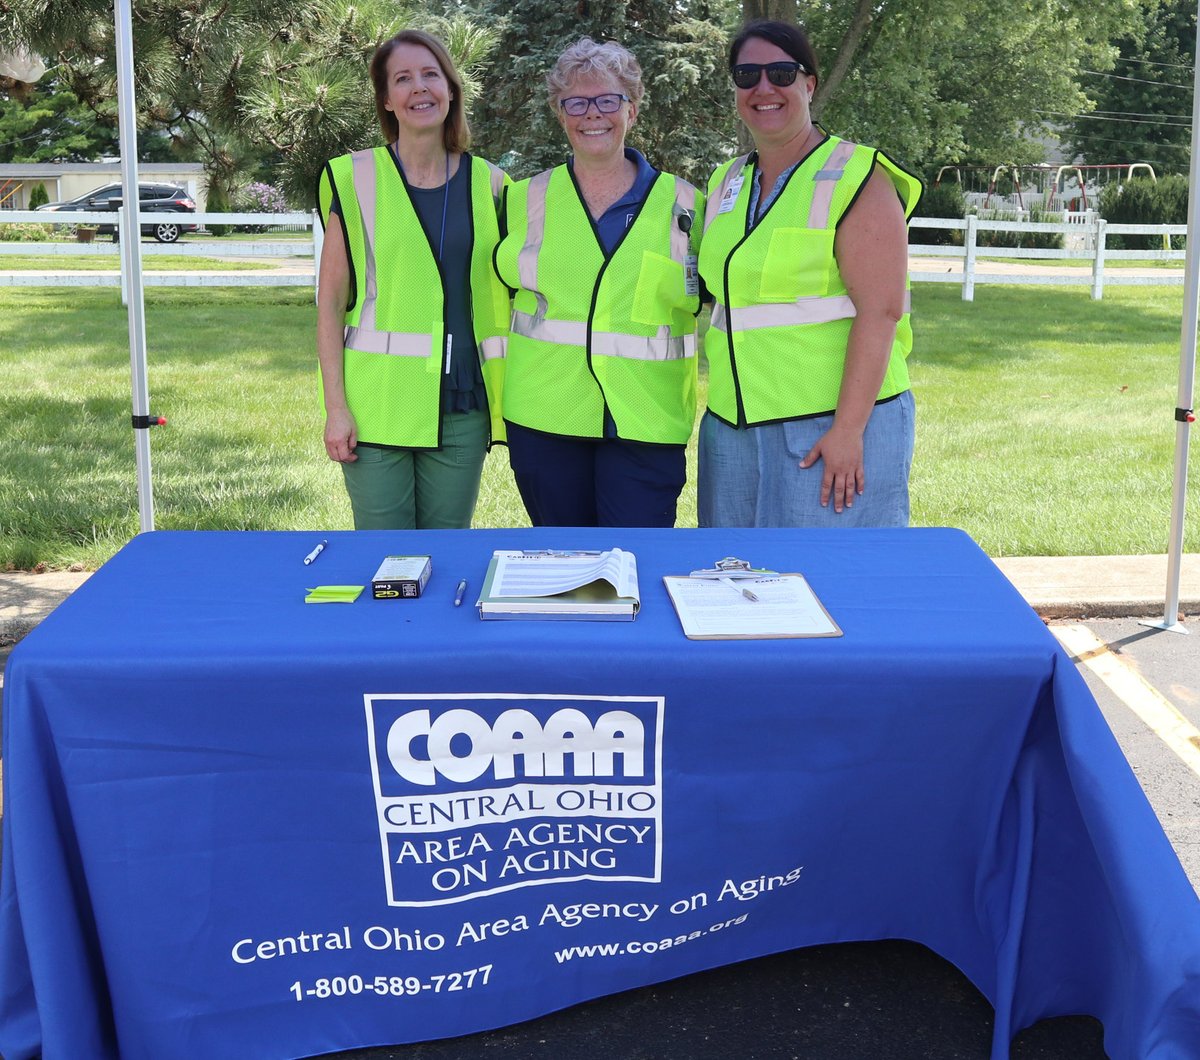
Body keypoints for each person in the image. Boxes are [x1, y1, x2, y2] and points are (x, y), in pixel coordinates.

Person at [697, 19, 922, 528]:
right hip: (733, 429)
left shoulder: (859, 177)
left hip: (829, 428)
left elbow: (881, 312)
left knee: (832, 589)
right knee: (734, 583)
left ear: (810, 83)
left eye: (781, 72)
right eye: (747, 75)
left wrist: (848, 431)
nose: (763, 88)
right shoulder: (726, 182)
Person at [492, 38, 703, 528]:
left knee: (635, 566)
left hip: (647, 420)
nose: (593, 114)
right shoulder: (523, 201)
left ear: (633, 108)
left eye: (608, 99)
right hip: (545, 416)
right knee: (563, 566)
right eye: (576, 102)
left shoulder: (690, 206)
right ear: (558, 112)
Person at [315, 30, 510, 530]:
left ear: (451, 88)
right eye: (403, 78)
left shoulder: (493, 184)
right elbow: (330, 304)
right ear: (386, 98)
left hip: (463, 406)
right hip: (378, 405)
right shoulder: (351, 177)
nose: (419, 88)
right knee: (385, 563)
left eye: (431, 74)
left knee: (445, 561)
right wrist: (336, 409)